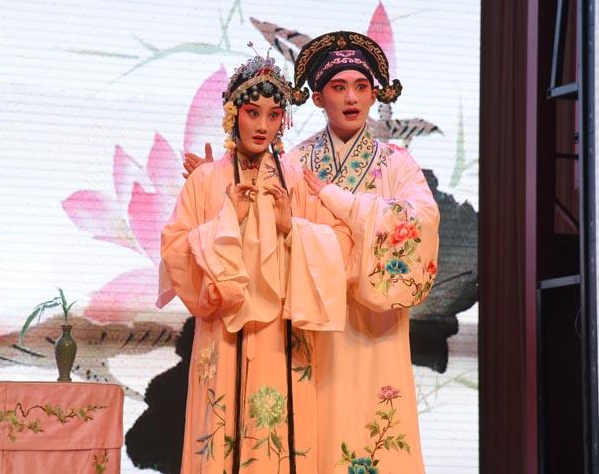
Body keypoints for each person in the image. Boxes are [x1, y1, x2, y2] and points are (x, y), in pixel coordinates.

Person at [184, 31, 440, 474]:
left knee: (373, 435)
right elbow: (263, 238)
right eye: (338, 87)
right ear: (318, 98)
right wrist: (218, 179)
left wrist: (347, 205)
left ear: (374, 93)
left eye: (361, 87)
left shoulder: (398, 164)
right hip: (309, 327)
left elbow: (421, 223)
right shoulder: (293, 164)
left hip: (373, 326)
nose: (351, 98)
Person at [159, 53, 351, 474]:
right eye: (252, 113)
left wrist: (290, 229)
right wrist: (227, 223)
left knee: (278, 436)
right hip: (223, 329)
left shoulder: (295, 179)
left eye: (274, 115)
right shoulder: (205, 181)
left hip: (281, 332)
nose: (263, 126)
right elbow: (174, 248)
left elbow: (337, 247)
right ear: (233, 114)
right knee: (220, 430)